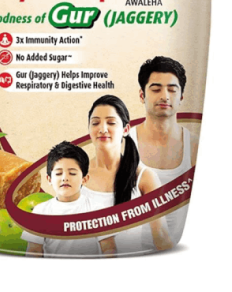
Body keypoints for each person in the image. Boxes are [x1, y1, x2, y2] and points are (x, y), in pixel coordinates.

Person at [82, 94, 173, 255]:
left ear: (125, 129)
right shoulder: (76, 175)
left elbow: (160, 237)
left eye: (111, 122)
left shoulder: (144, 177)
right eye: (95, 123)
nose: (102, 129)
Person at [130, 56, 199, 250]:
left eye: (172, 89)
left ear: (181, 96)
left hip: (174, 249)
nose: (165, 96)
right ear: (142, 95)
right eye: (156, 89)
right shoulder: (122, 145)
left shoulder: (195, 146)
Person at [22, 141, 116, 257]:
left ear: (85, 179)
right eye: (58, 173)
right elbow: (34, 251)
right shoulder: (40, 211)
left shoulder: (97, 210)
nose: (65, 178)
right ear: (49, 179)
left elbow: (109, 248)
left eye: (72, 173)